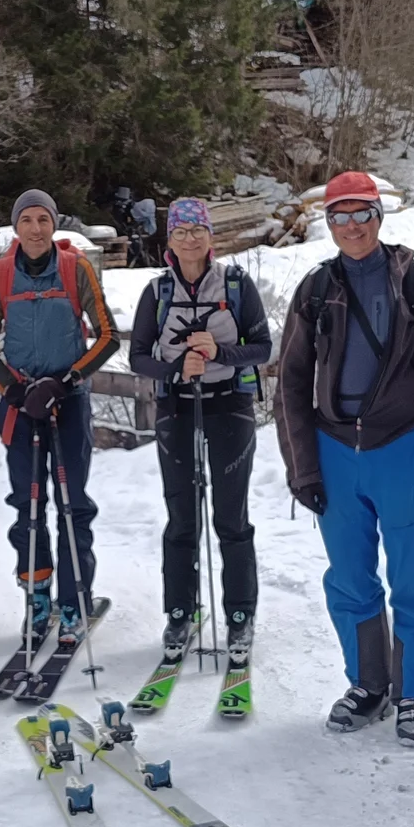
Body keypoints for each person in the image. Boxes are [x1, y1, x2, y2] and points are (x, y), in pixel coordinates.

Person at [275, 170, 414, 747]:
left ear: (379, 218)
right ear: (327, 223)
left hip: (401, 448)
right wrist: (302, 467)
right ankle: (369, 685)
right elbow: (288, 384)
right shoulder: (315, 290)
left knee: (413, 579)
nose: (352, 226)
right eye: (340, 216)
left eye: (362, 214)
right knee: (351, 579)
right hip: (336, 453)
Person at [127, 197, 271, 669]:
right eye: (180, 231)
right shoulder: (157, 291)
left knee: (232, 516)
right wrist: (174, 367)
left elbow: (263, 347)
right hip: (177, 407)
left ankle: (240, 613)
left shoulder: (235, 284)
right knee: (182, 516)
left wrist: (221, 353)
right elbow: (138, 357)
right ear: (169, 240)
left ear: (211, 237)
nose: (190, 238)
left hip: (230, 405)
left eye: (197, 230)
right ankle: (179, 612)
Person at [0, 189, 120, 645]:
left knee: (72, 503)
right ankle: (37, 598)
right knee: (27, 506)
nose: (36, 229)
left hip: (67, 400)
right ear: (15, 226)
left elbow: (108, 336)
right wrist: (15, 390)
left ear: (53, 224)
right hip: (21, 405)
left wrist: (65, 380)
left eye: (43, 220)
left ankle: (75, 599)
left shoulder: (76, 268)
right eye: (27, 220)